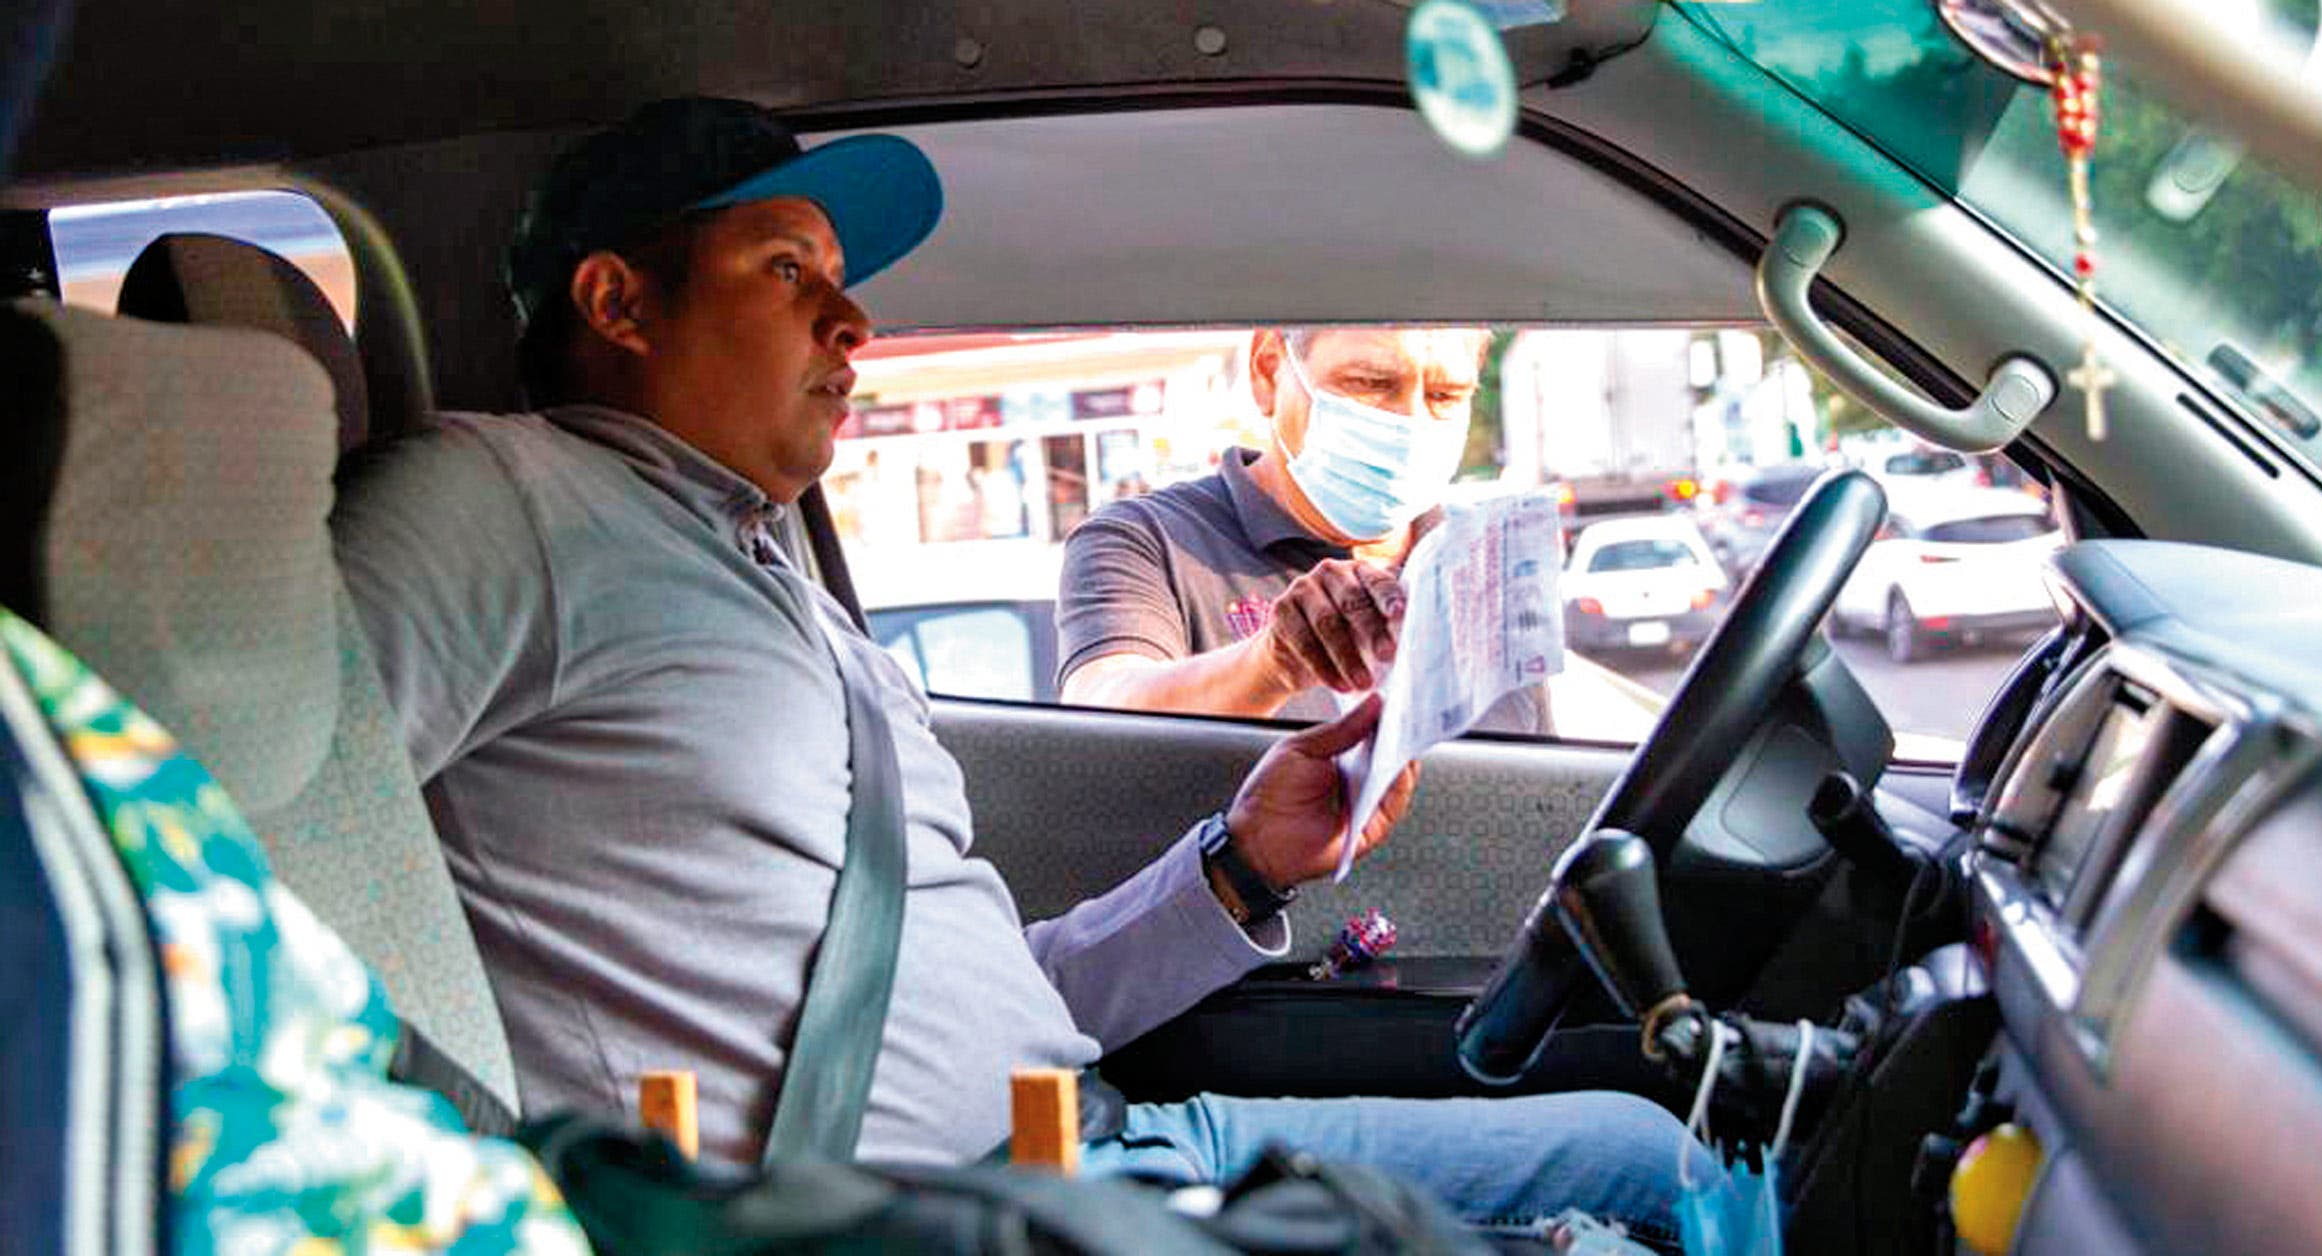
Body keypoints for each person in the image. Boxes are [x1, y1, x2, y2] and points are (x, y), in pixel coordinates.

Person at [331, 97, 1702, 1245]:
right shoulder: (497, 505)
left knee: (1657, 1154)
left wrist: (1239, 864)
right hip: (938, 1215)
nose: (852, 320)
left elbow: (984, 989)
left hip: (1096, 1140)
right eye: (790, 271)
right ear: (618, 301)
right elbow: (258, 832)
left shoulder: (772, 581)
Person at [1057, 327, 1550, 730]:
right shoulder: (1150, 541)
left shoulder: (1482, 562)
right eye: (1369, 383)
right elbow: (1102, 711)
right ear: (1268, 370)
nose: (1412, 424)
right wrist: (1273, 662)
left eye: (1445, 395)